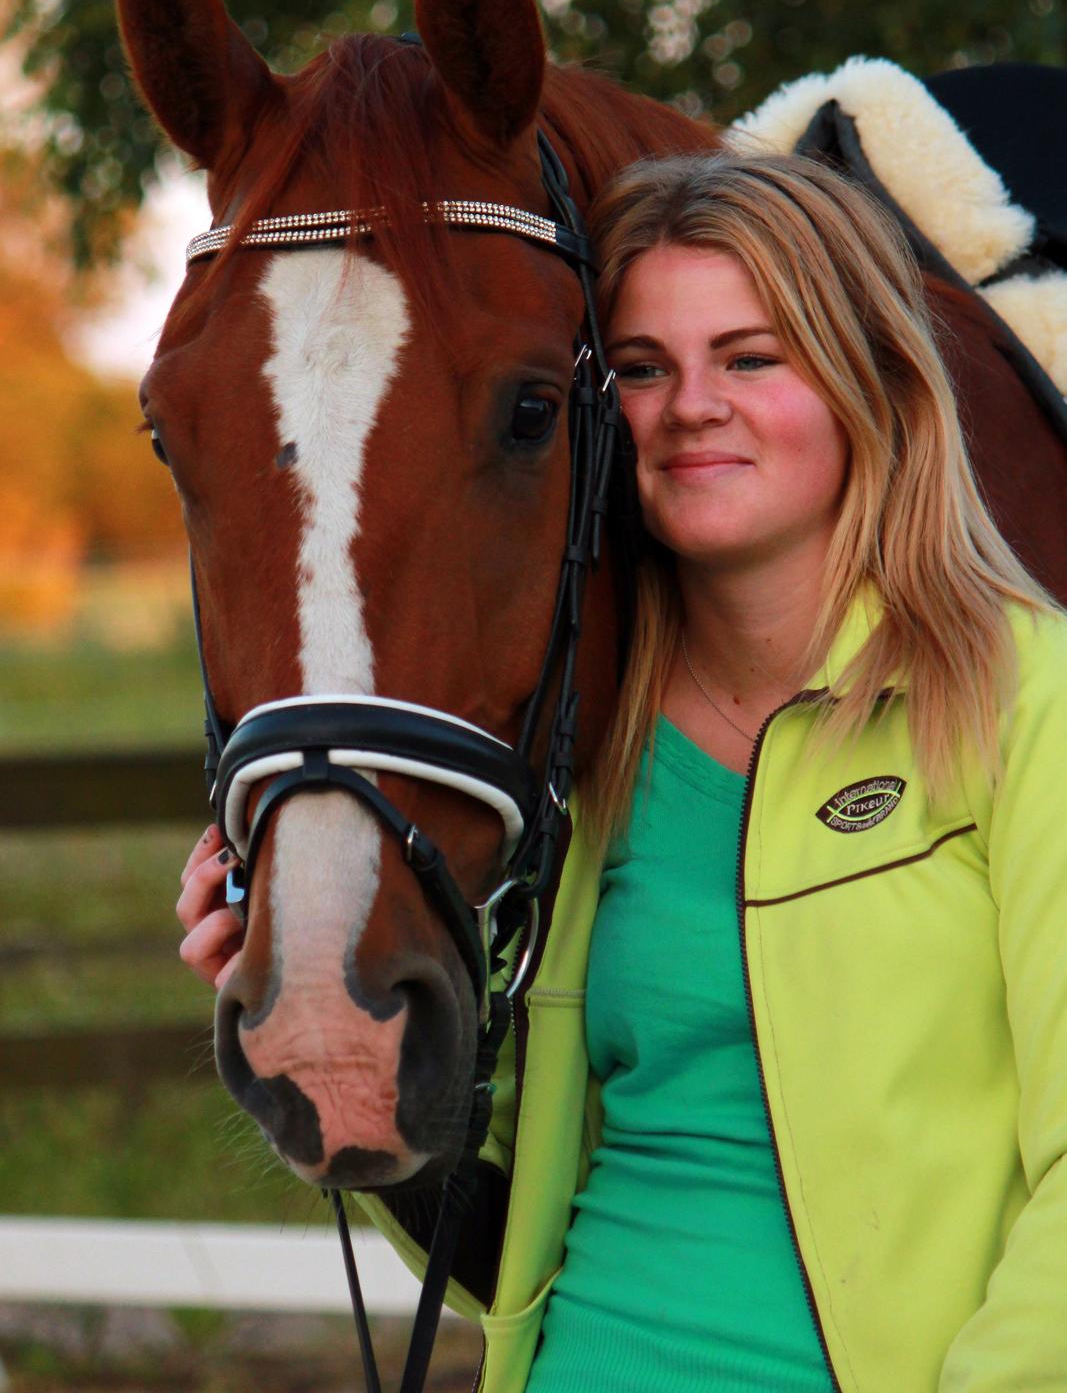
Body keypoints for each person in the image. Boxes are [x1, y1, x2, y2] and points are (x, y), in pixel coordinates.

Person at [177, 152, 1067, 1392]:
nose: (691, 404)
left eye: (749, 358)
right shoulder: (582, 758)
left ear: (870, 382)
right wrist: (351, 1055)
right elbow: (510, 1234)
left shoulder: (1026, 698)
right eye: (643, 368)